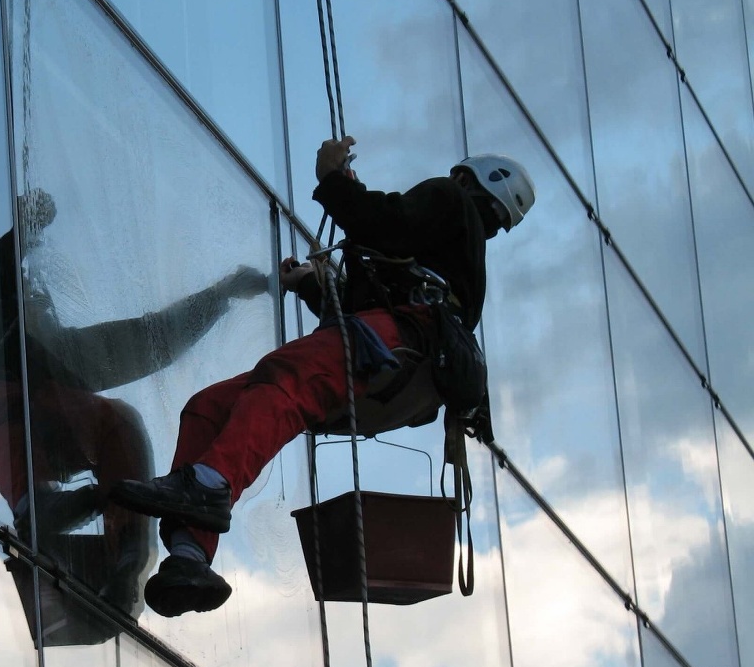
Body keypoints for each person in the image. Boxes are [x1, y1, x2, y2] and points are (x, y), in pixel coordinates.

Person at [108, 136, 536, 617]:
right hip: (393, 370)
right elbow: (367, 290)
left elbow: (385, 225)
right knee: (210, 407)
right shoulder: (450, 254)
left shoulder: (450, 197)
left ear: (466, 178)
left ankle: (208, 484)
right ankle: (188, 558)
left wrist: (331, 177)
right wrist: (315, 286)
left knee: (285, 371)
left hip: (400, 345)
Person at [0, 189, 268, 640]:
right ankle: (39, 507)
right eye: (22, 287)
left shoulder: (54, 357)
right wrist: (22, 235)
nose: (34, 297)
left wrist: (219, 296)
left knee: (119, 421)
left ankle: (127, 559)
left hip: (34, 433)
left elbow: (146, 340)